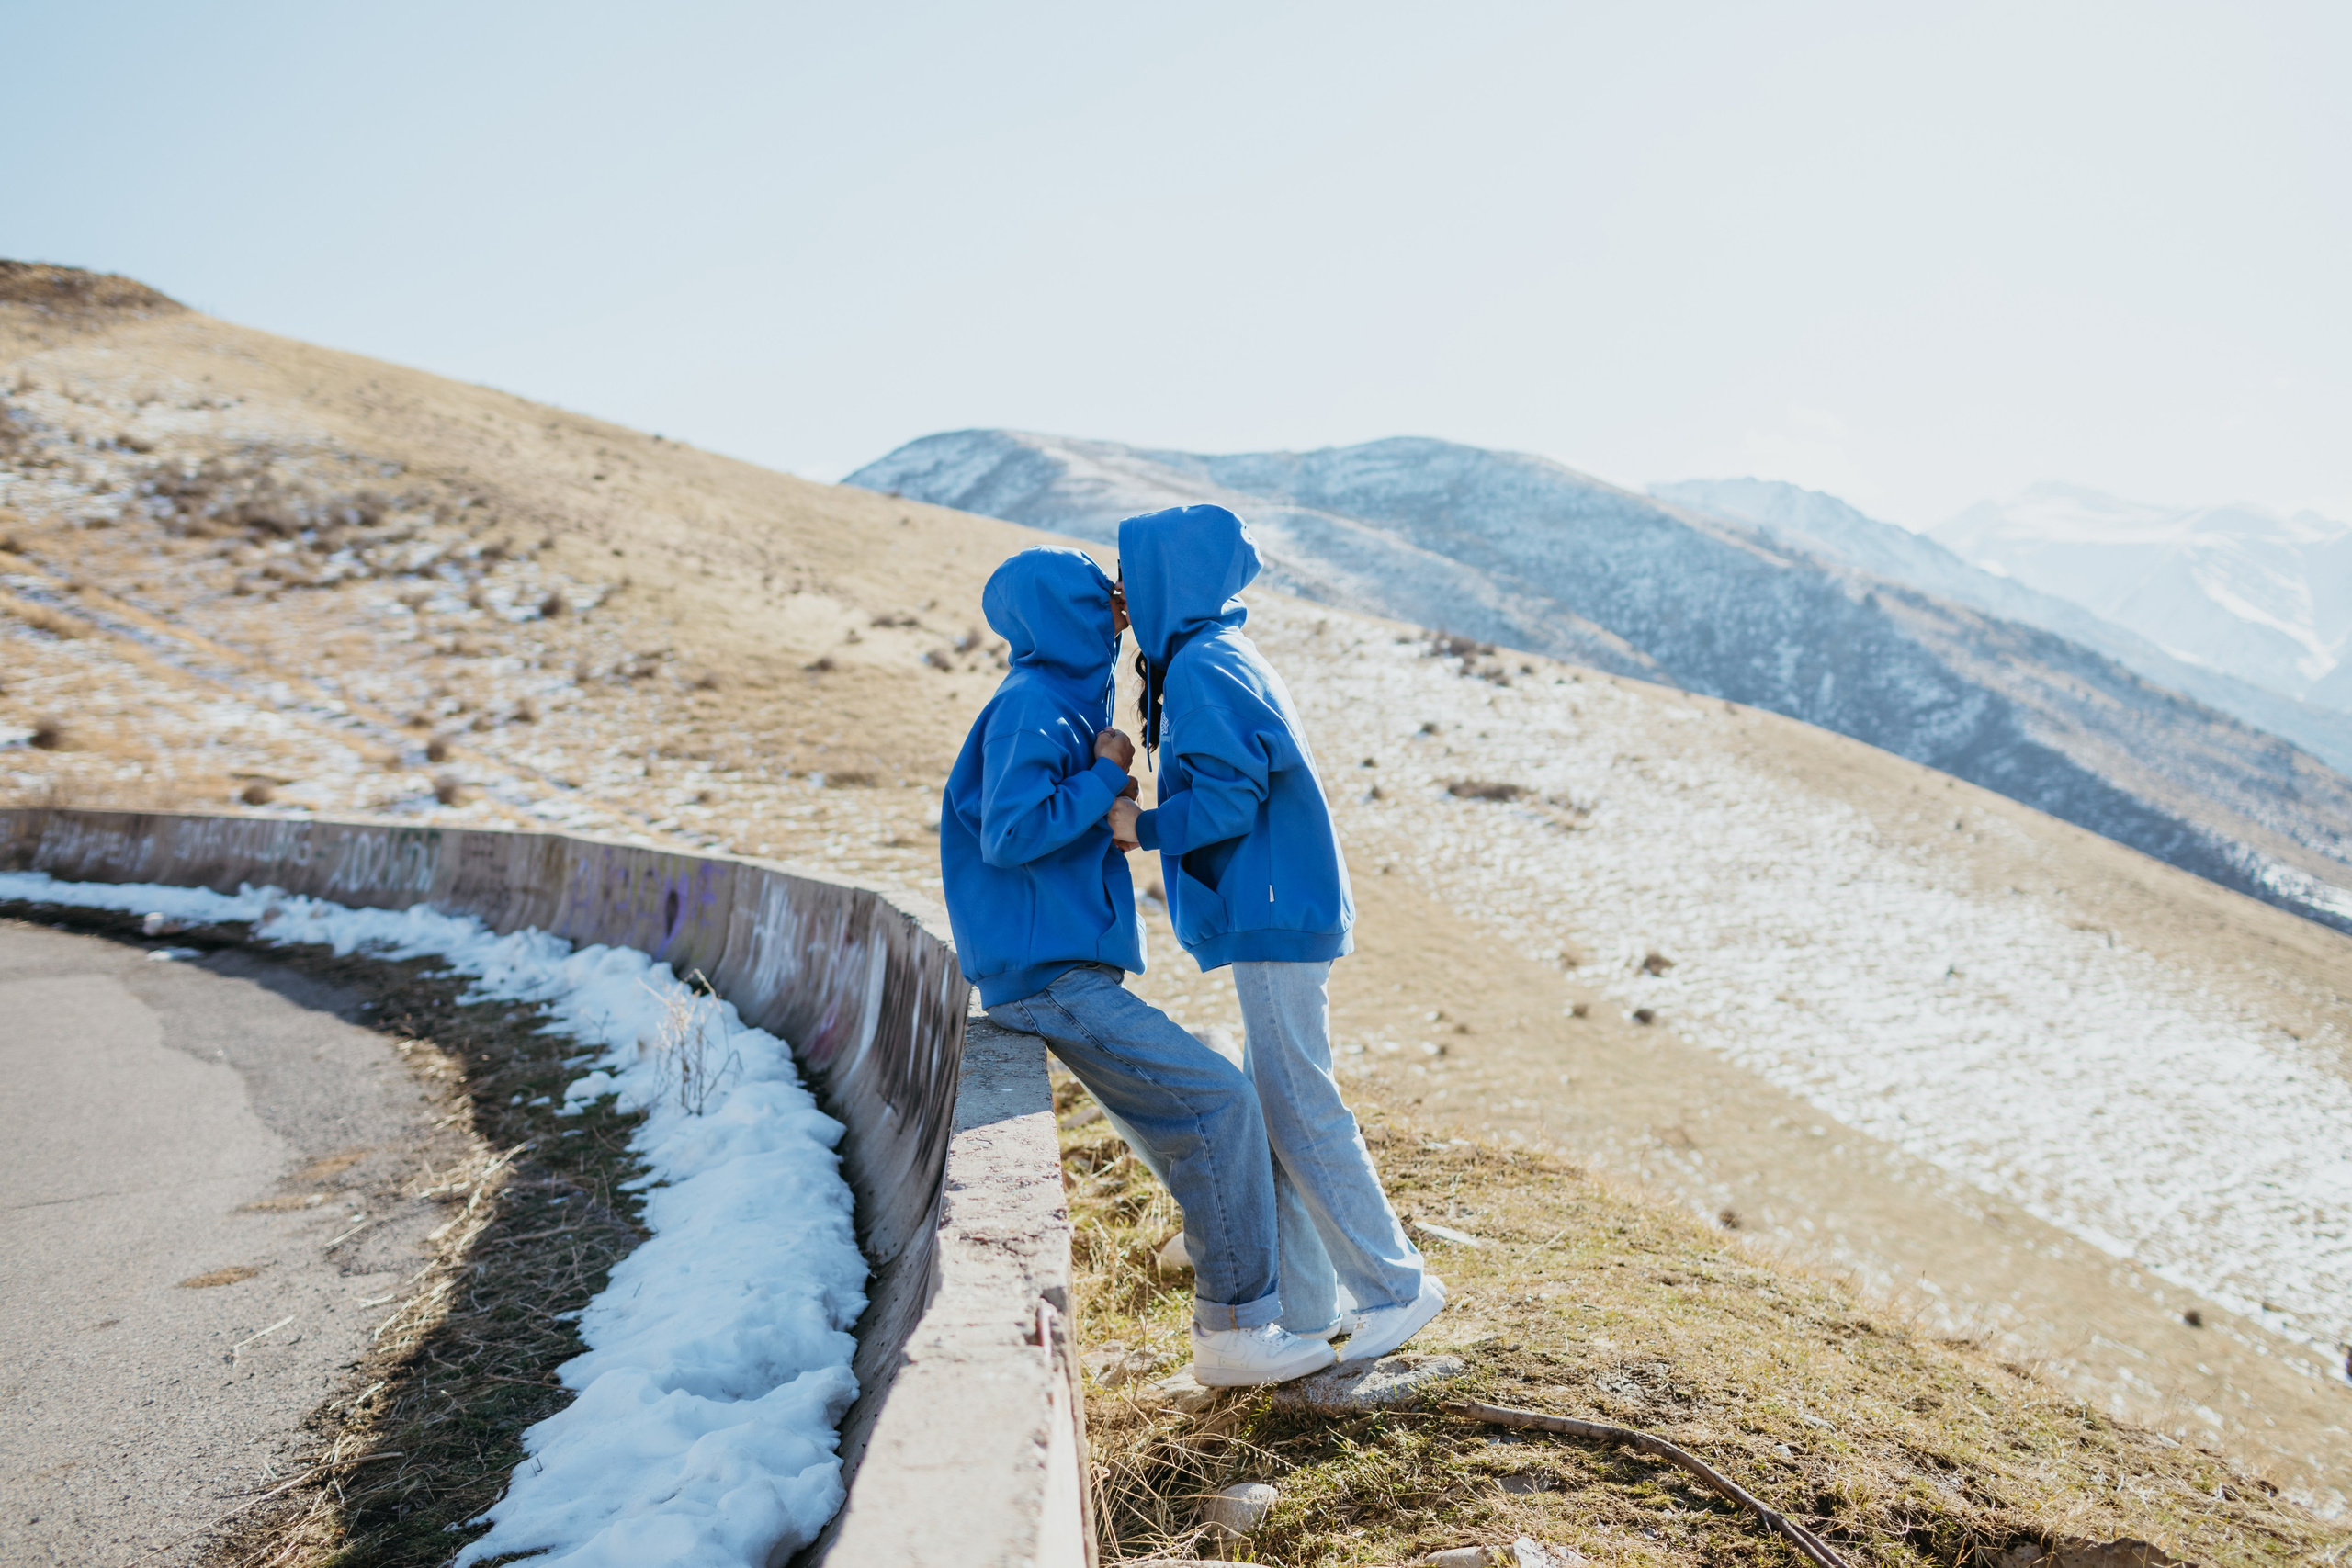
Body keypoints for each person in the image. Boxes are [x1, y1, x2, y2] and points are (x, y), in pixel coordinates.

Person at [938, 546, 1335, 1386]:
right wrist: (1106, 775)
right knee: (1222, 1100)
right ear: (1063, 615)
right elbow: (1010, 832)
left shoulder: (1063, 701)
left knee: (1203, 1117)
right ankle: (1234, 1331)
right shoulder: (1034, 706)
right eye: (1102, 603)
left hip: (1065, 973)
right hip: (1050, 980)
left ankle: (1263, 1314)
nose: (1121, 618)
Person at [1109, 505, 1446, 1364]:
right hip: (1274, 904)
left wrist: (1137, 828)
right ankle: (1305, 1314)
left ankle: (1395, 1287)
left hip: (1273, 910)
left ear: (1166, 581)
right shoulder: (1211, 654)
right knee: (1275, 1115)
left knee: (1299, 1109)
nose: (1125, 592)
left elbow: (1228, 797)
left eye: (1134, 573)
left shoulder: (1201, 669)